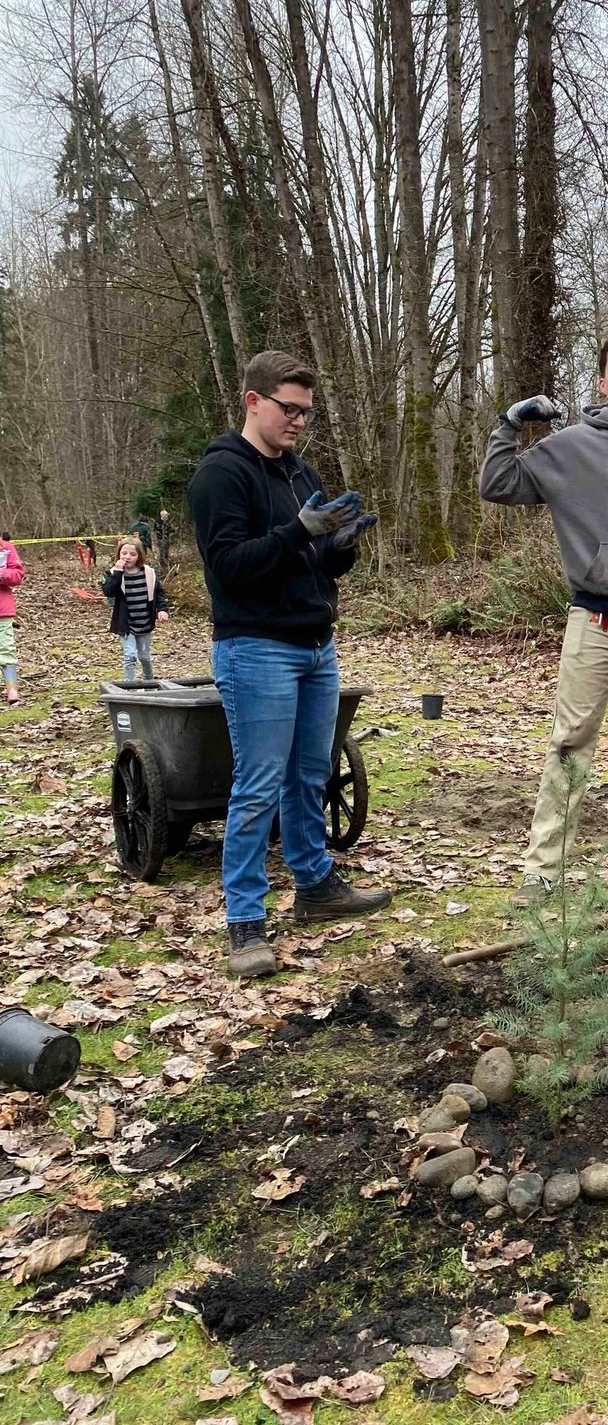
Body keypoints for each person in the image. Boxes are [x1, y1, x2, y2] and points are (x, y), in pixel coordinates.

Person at [187, 349, 390, 979]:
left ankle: (316, 886)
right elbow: (229, 569)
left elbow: (314, 565)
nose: (299, 421)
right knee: (258, 786)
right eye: (289, 409)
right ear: (253, 401)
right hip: (256, 649)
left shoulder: (300, 473)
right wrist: (301, 533)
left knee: (310, 776)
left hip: (315, 645)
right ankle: (245, 922)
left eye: (306, 412)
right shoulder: (221, 475)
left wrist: (340, 549)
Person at [479, 332, 608, 902]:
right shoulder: (569, 447)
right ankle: (544, 868)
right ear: (601, 382)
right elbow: (496, 484)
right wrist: (509, 423)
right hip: (593, 620)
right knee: (570, 742)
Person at [102, 537, 169, 680]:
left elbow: (159, 593)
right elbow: (109, 592)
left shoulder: (148, 573)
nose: (127, 557)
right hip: (126, 625)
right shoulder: (114, 573)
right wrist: (118, 572)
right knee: (130, 657)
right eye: (124, 553)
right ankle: (130, 688)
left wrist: (162, 610)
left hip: (145, 623)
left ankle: (149, 683)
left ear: (139, 556)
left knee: (144, 657)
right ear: (119, 553)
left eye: (132, 554)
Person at [0, 531, 24, 705]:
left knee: (6, 650)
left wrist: (2, 574)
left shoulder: (6, 548)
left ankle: (12, 689)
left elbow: (17, 575)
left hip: (2, 610)